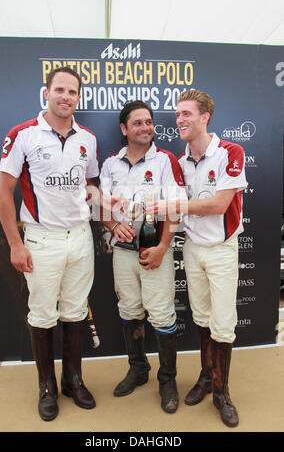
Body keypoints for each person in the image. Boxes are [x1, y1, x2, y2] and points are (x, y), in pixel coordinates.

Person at [0, 67, 99, 421]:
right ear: (47, 93)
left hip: (81, 238)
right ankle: (47, 387)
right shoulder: (22, 135)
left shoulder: (88, 138)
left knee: (74, 311)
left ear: (78, 97)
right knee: (42, 314)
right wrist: (14, 244)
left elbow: (89, 186)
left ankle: (73, 380)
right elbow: (3, 193)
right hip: (41, 240)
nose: (65, 97)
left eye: (72, 92)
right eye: (60, 90)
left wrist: (104, 201)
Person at [147, 90, 248, 427]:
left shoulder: (231, 152)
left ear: (205, 117)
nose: (180, 120)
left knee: (223, 325)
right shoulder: (179, 161)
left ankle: (222, 393)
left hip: (221, 250)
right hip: (192, 248)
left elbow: (220, 204)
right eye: (177, 115)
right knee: (203, 318)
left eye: (187, 114)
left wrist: (172, 206)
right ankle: (207, 378)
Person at [99, 100, 187, 414]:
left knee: (162, 314)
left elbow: (175, 207)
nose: (146, 127)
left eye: (149, 122)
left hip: (155, 250)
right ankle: (138, 370)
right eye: (138, 123)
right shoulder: (110, 163)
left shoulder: (166, 160)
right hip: (122, 252)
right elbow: (101, 208)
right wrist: (112, 225)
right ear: (124, 129)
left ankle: (167, 380)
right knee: (130, 308)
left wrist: (164, 247)